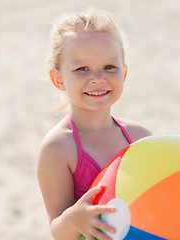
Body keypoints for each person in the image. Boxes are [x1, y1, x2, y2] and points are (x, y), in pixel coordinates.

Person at [37, 10, 151, 240]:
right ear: (58, 79)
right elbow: (58, 230)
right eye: (82, 69)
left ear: (124, 72)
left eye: (110, 67)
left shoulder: (140, 138)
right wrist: (73, 219)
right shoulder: (58, 148)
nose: (98, 78)